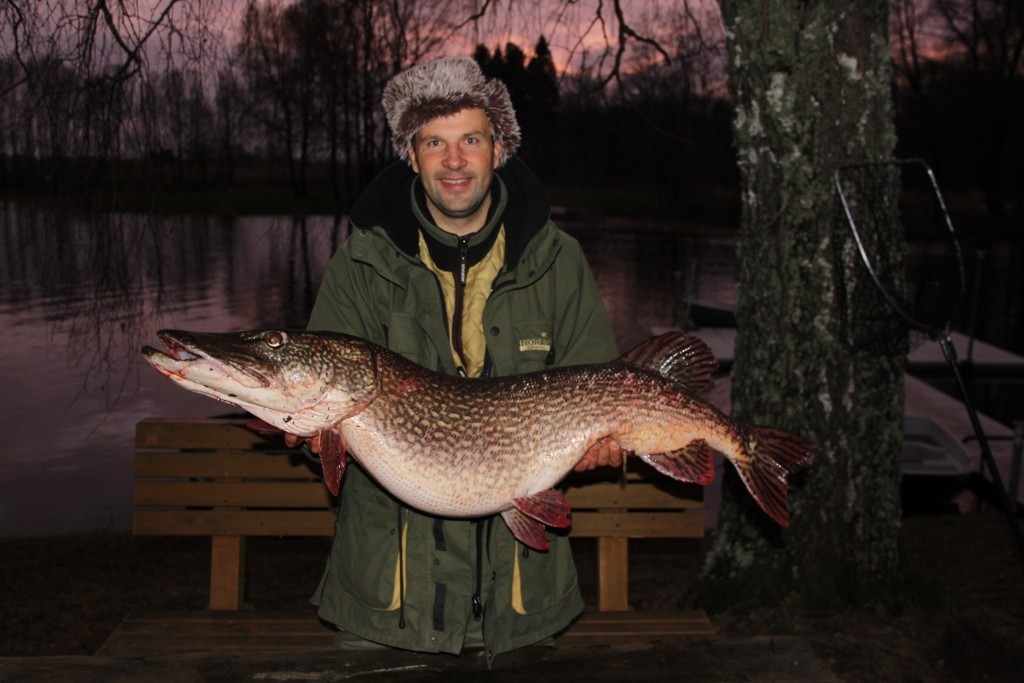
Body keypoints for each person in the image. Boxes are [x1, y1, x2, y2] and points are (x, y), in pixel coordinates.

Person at [290, 56, 622, 665]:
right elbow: (319, 393)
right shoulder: (361, 265)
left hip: (524, 603)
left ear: (499, 149)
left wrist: (602, 441)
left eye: (470, 139)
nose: (453, 160)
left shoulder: (558, 261)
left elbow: (599, 383)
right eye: (433, 142)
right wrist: (312, 427)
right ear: (410, 157)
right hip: (386, 605)